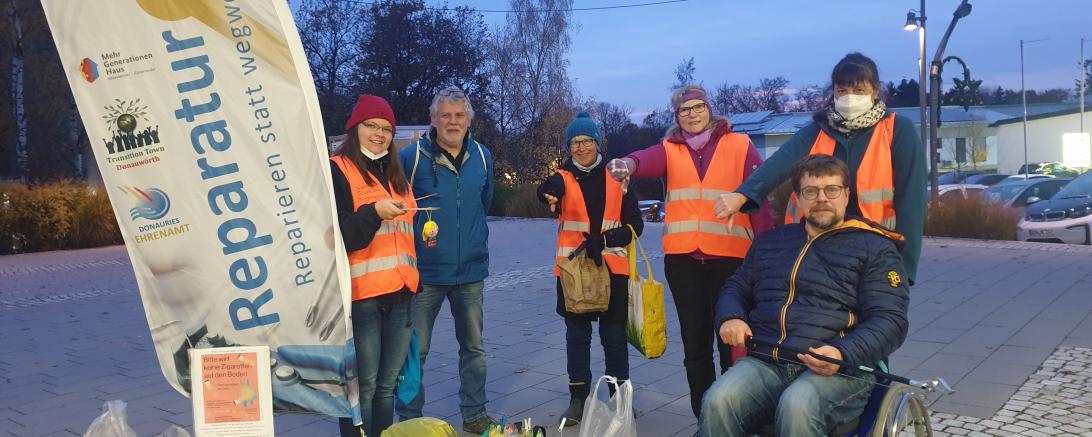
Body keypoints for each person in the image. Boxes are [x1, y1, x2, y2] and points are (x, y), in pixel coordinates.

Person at [700, 154, 910, 437]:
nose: (821, 198)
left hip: (841, 370)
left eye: (831, 190)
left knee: (797, 404)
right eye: (811, 191)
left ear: (846, 195)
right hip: (767, 360)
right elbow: (736, 288)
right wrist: (731, 317)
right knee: (718, 400)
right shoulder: (771, 242)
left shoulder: (875, 248)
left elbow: (890, 320)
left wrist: (841, 352)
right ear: (798, 198)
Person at [607, 85, 773, 418]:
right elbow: (644, 160)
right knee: (695, 348)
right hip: (684, 264)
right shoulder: (670, 148)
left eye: (698, 107)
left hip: (732, 262)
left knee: (733, 344)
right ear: (677, 116)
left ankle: (736, 414)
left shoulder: (739, 145)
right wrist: (626, 164)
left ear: (710, 110)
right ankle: (707, 417)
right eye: (685, 110)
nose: (692, 114)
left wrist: (770, 255)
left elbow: (761, 199)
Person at [714, 52, 926, 284]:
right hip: (817, 245)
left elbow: (912, 200)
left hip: (874, 247)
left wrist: (905, 268)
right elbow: (779, 163)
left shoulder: (897, 130)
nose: (849, 98)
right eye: (842, 91)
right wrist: (743, 194)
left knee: (875, 315)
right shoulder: (818, 129)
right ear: (833, 92)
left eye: (858, 91)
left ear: (875, 92)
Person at [396, 86, 498, 434]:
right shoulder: (411, 159)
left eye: (459, 115)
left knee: (473, 350)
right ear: (433, 119)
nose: (452, 121)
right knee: (415, 352)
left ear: (469, 120)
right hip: (424, 275)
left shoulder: (483, 157)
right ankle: (409, 421)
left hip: (470, 273)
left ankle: (474, 415)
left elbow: (485, 203)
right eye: (446, 115)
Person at [537, 112, 644, 426]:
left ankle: (619, 401)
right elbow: (547, 190)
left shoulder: (617, 175)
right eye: (574, 142)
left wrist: (609, 237)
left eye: (586, 141)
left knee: (613, 337)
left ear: (598, 142)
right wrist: (547, 193)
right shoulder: (562, 176)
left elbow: (636, 224)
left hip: (612, 266)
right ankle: (578, 400)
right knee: (577, 336)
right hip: (573, 271)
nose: (580, 147)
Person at [330, 95, 418, 437]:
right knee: (361, 389)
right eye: (371, 126)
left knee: (386, 387)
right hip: (361, 296)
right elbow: (340, 235)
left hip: (401, 293)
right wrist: (373, 213)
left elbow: (403, 235)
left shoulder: (397, 176)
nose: (379, 134)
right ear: (355, 128)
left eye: (386, 128)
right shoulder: (338, 170)